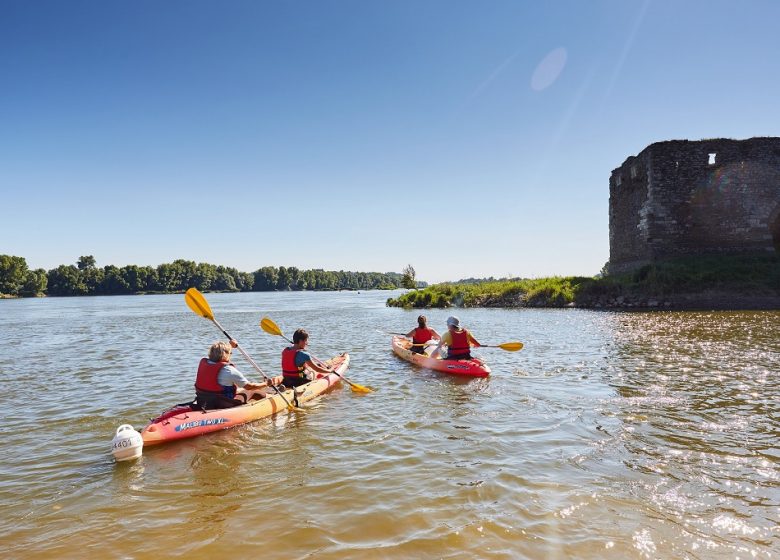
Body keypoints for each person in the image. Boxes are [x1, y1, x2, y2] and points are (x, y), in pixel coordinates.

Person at [195, 340, 282, 410]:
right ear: (225, 354)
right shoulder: (228, 370)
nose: (231, 355)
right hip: (223, 403)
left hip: (203, 400)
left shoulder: (205, 363)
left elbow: (222, 353)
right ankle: (274, 398)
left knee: (239, 389)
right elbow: (249, 386)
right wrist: (266, 384)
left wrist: (230, 346)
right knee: (253, 391)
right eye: (230, 353)